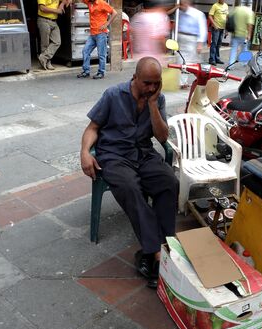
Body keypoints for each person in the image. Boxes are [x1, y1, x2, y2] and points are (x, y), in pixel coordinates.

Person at [80, 57, 179, 288]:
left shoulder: (158, 98)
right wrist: (85, 152)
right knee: (131, 189)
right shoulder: (113, 95)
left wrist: (153, 105)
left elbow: (163, 137)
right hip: (114, 155)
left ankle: (165, 244)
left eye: (156, 83)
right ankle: (155, 252)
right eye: (147, 83)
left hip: (143, 153)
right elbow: (92, 128)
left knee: (169, 182)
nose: (151, 88)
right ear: (135, 77)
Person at [167, 0, 207, 88]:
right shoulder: (179, 13)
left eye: (183, 3)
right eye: (180, 3)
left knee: (187, 61)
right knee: (180, 59)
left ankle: (184, 81)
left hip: (191, 39)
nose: (181, 5)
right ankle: (181, 81)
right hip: (181, 38)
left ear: (188, 3)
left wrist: (200, 43)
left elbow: (202, 29)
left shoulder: (198, 14)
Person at [77, 0, 117, 80]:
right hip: (93, 33)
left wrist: (107, 24)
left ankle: (101, 72)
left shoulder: (102, 3)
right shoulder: (88, 2)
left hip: (101, 33)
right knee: (85, 51)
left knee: (101, 54)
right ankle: (86, 71)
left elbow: (114, 13)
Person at [37, 0, 70, 70]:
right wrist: (57, 11)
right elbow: (42, 8)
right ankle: (47, 63)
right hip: (44, 20)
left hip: (54, 21)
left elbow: (67, 0)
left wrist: (62, 4)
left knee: (57, 42)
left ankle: (43, 57)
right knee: (45, 44)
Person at [228, 0, 255, 66]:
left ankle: (230, 64)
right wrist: (249, 35)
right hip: (244, 35)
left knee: (234, 49)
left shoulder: (236, 9)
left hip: (235, 33)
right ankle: (244, 63)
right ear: (249, 4)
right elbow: (249, 25)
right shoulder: (249, 12)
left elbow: (228, 16)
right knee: (245, 49)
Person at [208, 0, 229, 65]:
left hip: (222, 28)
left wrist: (227, 29)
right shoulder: (215, 5)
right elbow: (210, 15)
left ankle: (217, 58)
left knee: (219, 44)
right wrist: (214, 24)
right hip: (216, 28)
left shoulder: (226, 5)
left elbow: (227, 17)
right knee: (214, 43)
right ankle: (212, 59)